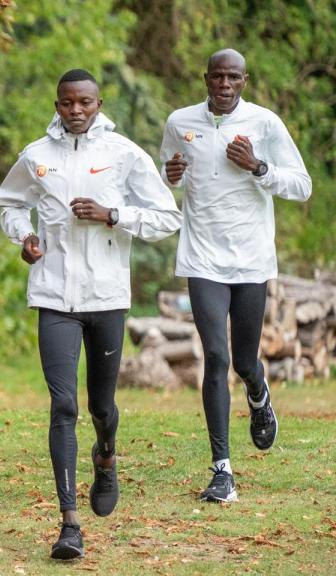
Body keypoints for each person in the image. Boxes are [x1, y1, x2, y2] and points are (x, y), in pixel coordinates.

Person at [0, 69, 181, 560]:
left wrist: (114, 215)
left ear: (99, 104)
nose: (75, 111)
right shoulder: (36, 156)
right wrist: (25, 239)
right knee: (63, 406)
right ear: (56, 105)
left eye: (84, 103)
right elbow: (10, 204)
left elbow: (167, 217)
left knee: (101, 407)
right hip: (54, 297)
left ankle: (106, 454)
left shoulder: (123, 154)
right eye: (66, 103)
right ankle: (69, 524)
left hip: (106, 299)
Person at [160, 49, 311, 503]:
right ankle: (222, 470)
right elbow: (166, 176)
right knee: (215, 356)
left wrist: (258, 168)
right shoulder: (179, 122)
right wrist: (170, 176)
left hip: (250, 259)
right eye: (217, 77)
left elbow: (302, 186)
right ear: (205, 78)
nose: (224, 85)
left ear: (244, 81)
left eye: (233, 78)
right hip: (201, 258)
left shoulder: (265, 124)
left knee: (245, 362)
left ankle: (259, 394)